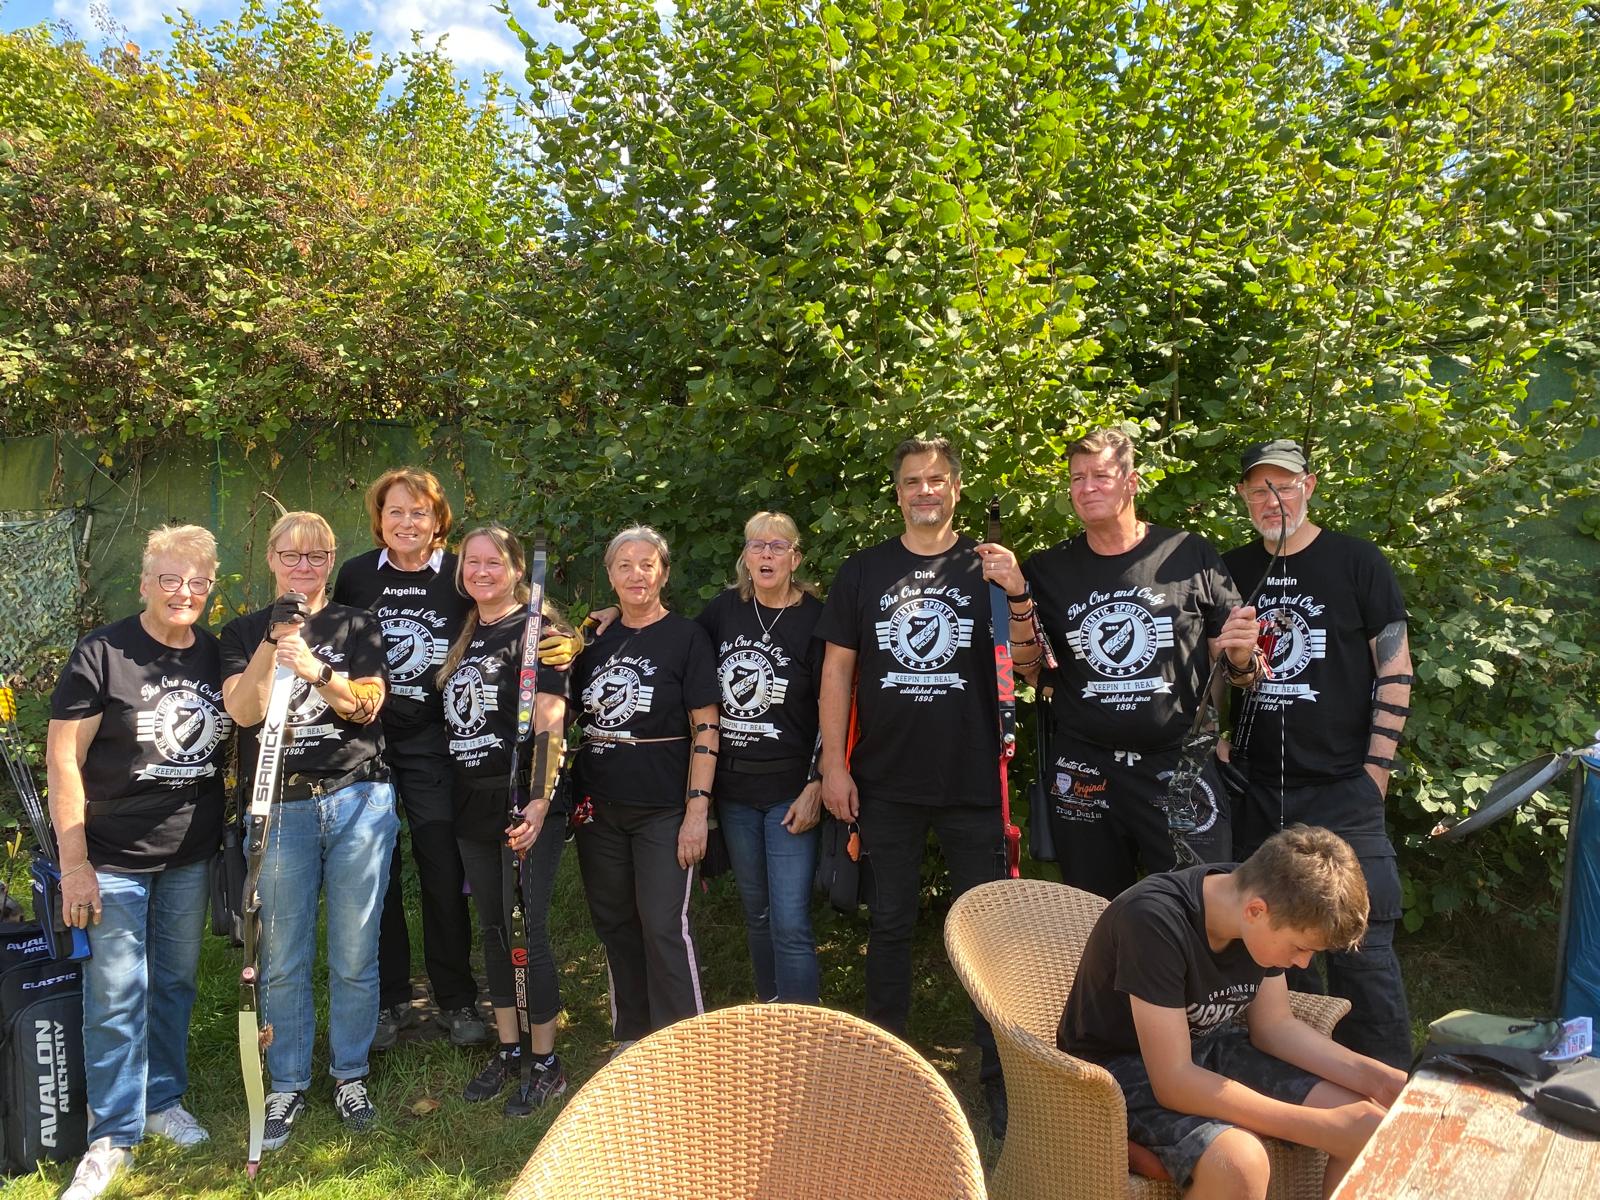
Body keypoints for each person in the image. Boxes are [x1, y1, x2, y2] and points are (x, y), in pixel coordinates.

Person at [815, 435, 1009, 1137]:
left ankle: (1000, 1078)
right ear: (897, 492)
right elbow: (837, 671)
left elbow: (1025, 662)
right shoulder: (865, 570)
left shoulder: (989, 567)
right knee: (890, 923)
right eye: (911, 481)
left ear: (956, 488)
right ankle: (887, 1070)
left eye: (936, 479)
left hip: (973, 780)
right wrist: (834, 766)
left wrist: (1016, 590)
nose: (924, 490)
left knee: (986, 938)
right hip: (884, 780)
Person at [978, 427, 1262, 900]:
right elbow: (1028, 670)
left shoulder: (1187, 554)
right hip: (1084, 768)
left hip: (1179, 762)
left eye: (1101, 476)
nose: (1087, 487)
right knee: (1094, 910)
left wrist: (1240, 655)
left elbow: (1239, 669)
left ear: (1131, 482)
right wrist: (1018, 594)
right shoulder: (1049, 569)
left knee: (1201, 904)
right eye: (1077, 478)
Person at [1057, 825, 1406, 1199]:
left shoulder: (1262, 899)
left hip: (1209, 1045)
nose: (1303, 963)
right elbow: (1173, 1081)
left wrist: (1381, 1080)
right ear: (1256, 911)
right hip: (1113, 1072)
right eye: (1300, 947)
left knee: (1371, 1127)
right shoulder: (1153, 921)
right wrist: (1315, 1125)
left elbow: (1275, 1027)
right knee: (1240, 1161)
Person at [47, 525, 232, 1200]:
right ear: (146, 581)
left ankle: (162, 1100)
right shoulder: (103, 652)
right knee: (116, 992)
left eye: (198, 582)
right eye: (170, 579)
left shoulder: (215, 653)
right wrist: (74, 864)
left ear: (211, 589)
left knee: (175, 983)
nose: (184, 592)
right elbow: (63, 757)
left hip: (189, 853)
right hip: (111, 855)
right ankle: (112, 1134)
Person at [1221, 439, 1414, 1070]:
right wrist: (1219, 727)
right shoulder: (1230, 569)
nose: (1271, 500)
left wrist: (1376, 771)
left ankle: (1388, 1088)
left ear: (1308, 486)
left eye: (1283, 485)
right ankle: (1301, 1084)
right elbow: (1219, 673)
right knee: (1276, 949)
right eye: (1258, 489)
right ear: (1244, 496)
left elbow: (1395, 670)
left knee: (1363, 945)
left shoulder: (1357, 561)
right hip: (1257, 790)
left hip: (1343, 787)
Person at [220, 511, 396, 1148]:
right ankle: (287, 1084)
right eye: (291, 555)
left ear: (330, 560)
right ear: (271, 558)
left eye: (317, 555)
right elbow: (242, 711)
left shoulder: (357, 624)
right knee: (283, 956)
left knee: (354, 951)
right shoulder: (242, 631)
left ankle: (350, 1074)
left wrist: (318, 669)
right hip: (280, 805)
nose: (304, 566)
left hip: (356, 799)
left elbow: (367, 706)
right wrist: (275, 644)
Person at [331, 467, 481, 1049]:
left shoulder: (460, 573)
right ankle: (390, 999)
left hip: (436, 744)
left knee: (442, 868)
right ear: (379, 518)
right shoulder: (357, 575)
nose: (407, 522)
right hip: (367, 743)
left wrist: (572, 634)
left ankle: (457, 998)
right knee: (378, 872)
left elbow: (516, 614)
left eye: (419, 511)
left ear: (438, 519)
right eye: (395, 511)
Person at [438, 526, 574, 1114]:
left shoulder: (539, 632)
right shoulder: (467, 631)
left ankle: (546, 1061)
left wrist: (540, 800)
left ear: (518, 569)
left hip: (522, 802)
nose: (481, 571)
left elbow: (550, 720)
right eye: (472, 562)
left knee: (527, 932)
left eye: (494, 562)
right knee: (494, 929)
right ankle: (510, 1047)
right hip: (472, 804)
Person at [570, 525, 719, 1047]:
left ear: (664, 573)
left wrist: (696, 812)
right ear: (610, 575)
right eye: (624, 565)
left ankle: (684, 1047)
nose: (637, 575)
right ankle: (632, 1041)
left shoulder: (687, 638)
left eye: (647, 564)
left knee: (662, 925)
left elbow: (707, 728)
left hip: (663, 808)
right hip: (597, 808)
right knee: (615, 923)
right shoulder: (592, 640)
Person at [695, 512, 825, 1003]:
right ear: (745, 558)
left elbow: (837, 707)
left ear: (795, 558)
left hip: (791, 791)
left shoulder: (816, 618)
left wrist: (817, 783)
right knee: (758, 913)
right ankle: (772, 1011)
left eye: (777, 546)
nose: (766, 554)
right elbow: (674, 646)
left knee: (790, 919)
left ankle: (803, 1023)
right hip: (734, 792)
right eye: (756, 546)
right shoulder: (723, 611)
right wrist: (615, 613)